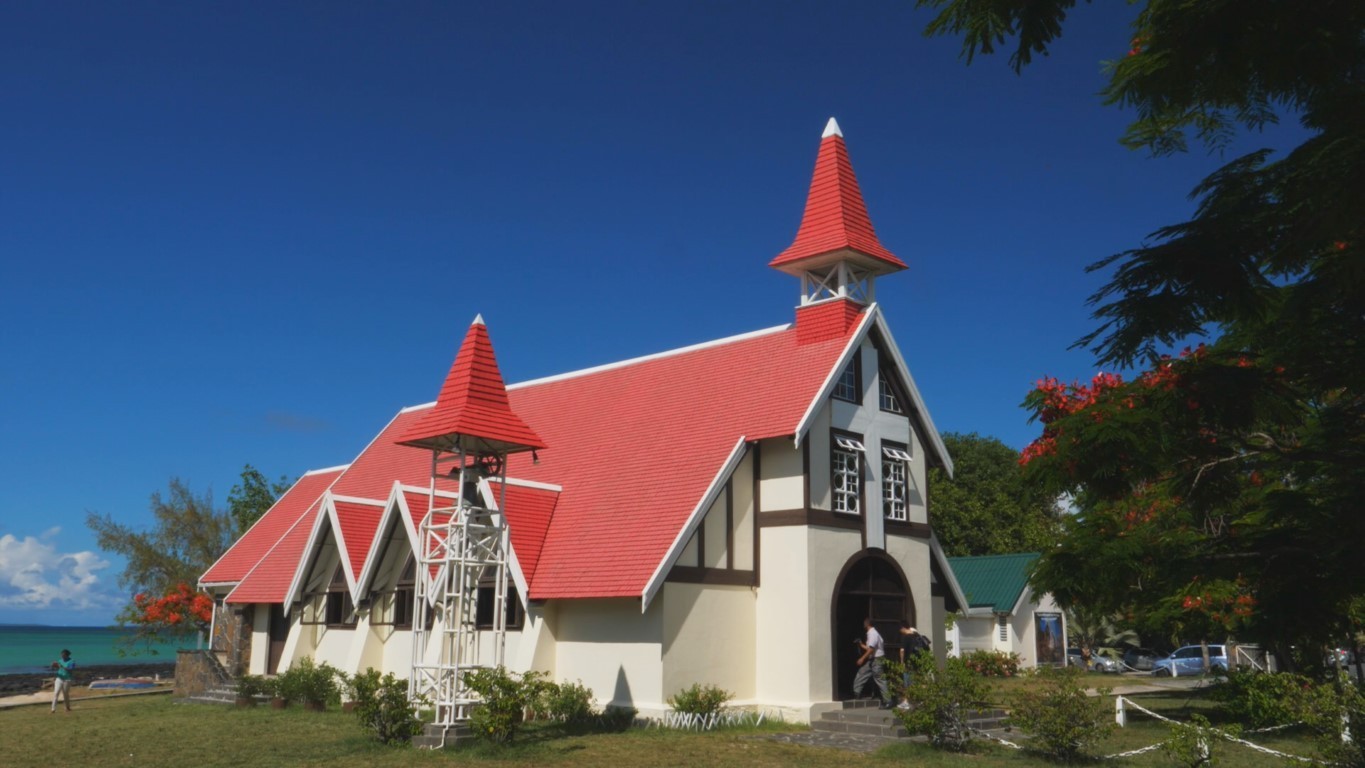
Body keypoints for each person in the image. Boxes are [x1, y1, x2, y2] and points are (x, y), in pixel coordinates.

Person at [853, 617, 892, 708]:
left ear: (868, 624)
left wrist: (862, 658)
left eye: (865, 622)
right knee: (862, 672)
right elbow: (869, 647)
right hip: (873, 660)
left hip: (877, 660)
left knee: (880, 679)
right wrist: (861, 644)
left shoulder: (873, 633)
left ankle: (888, 701)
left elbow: (871, 649)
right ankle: (857, 692)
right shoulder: (871, 633)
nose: (864, 624)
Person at [897, 622, 932, 709]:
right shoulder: (917, 636)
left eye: (900, 630)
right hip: (918, 663)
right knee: (919, 681)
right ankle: (922, 700)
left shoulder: (906, 637)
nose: (900, 631)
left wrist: (902, 662)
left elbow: (902, 651)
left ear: (903, 628)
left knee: (907, 683)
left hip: (909, 663)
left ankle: (906, 702)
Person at [51, 649, 75, 713]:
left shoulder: (71, 661)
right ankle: (53, 709)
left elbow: (70, 669)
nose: (62, 657)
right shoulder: (60, 660)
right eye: (61, 655)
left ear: (67, 655)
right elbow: (57, 668)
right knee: (56, 693)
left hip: (67, 679)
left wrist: (62, 666)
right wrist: (53, 665)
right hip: (59, 678)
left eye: (63, 655)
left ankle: (67, 707)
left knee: (65, 694)